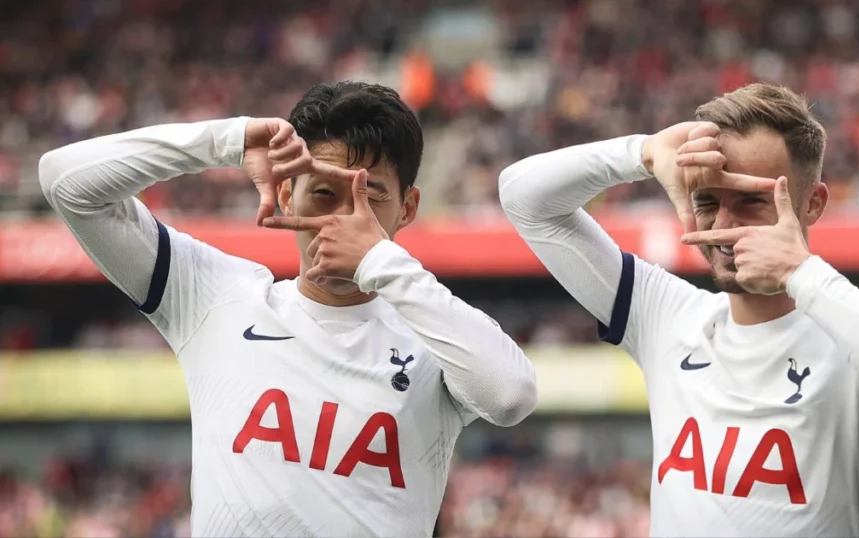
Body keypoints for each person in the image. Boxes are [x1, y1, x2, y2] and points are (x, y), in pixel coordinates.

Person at [39, 81, 537, 537]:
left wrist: (381, 260)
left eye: (371, 198)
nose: (343, 219)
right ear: (285, 194)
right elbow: (66, 183)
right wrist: (227, 141)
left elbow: (511, 395)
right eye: (324, 193)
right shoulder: (217, 297)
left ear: (407, 209)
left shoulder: (432, 334)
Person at [498, 82, 859, 537]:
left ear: (813, 204)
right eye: (707, 201)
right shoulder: (667, 314)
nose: (723, 226)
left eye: (752, 201)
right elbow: (525, 200)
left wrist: (800, 271)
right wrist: (641, 153)